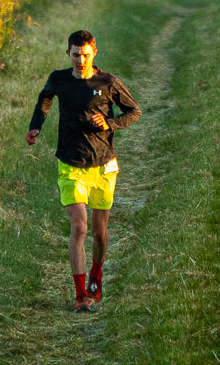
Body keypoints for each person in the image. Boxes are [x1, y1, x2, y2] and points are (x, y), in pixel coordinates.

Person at [27, 30, 141, 313]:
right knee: (79, 226)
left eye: (86, 55)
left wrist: (109, 123)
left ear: (94, 54)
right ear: (68, 54)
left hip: (103, 165)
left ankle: (96, 276)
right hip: (70, 163)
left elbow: (134, 111)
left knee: (99, 232)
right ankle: (80, 296)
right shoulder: (59, 79)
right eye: (75, 55)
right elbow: (45, 98)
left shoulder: (108, 82)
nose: (80, 60)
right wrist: (36, 126)